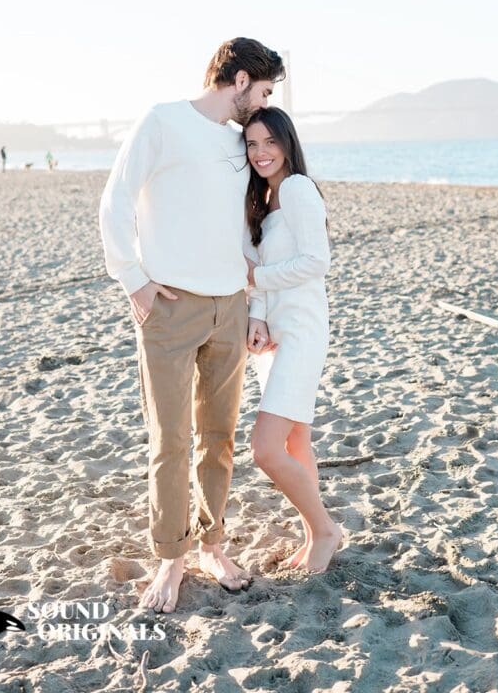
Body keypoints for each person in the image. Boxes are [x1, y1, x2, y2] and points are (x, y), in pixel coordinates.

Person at [99, 38, 285, 613]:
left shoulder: (240, 144)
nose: (267, 102)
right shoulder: (162, 122)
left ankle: (212, 545)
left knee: (219, 439)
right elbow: (115, 201)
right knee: (171, 438)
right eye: (266, 90)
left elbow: (242, 226)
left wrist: (257, 301)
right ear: (239, 79)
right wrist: (135, 281)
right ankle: (170, 559)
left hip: (229, 306)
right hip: (171, 308)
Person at [243, 106, 342, 573]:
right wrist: (257, 316)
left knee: (265, 448)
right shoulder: (265, 197)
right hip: (275, 336)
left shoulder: (299, 189)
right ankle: (311, 534)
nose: (261, 153)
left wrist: (258, 279)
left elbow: (315, 261)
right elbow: (261, 274)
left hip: (303, 330)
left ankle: (325, 529)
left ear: (287, 143)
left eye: (270, 142)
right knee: (298, 437)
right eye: (252, 144)